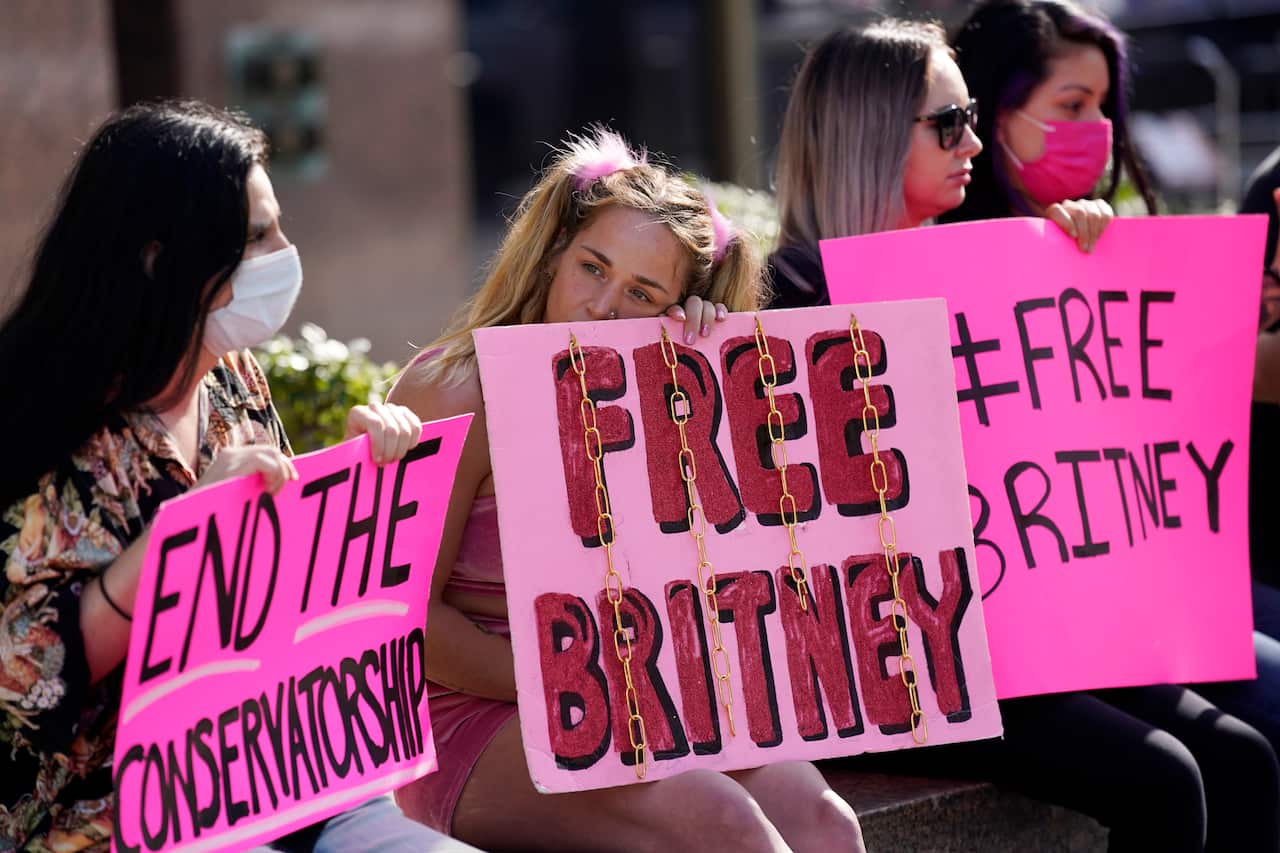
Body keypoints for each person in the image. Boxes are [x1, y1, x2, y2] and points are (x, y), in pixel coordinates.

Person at [765, 18, 1279, 852]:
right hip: (897, 664)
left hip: (1018, 637)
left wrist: (1077, 265)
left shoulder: (986, 264)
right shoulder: (786, 296)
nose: (972, 141)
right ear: (865, 130)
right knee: (1167, 777)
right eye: (948, 123)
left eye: (971, 115)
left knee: (1244, 757)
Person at [0, 101, 473, 853]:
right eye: (257, 235)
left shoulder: (231, 377)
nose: (284, 251)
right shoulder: (36, 420)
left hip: (272, 775)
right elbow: (32, 690)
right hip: (107, 818)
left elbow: (279, 589)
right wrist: (177, 537)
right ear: (158, 256)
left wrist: (356, 480)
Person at [388, 129, 866, 853]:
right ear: (553, 258)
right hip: (473, 714)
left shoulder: (662, 384)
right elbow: (404, 620)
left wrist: (704, 380)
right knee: (722, 823)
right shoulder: (456, 388)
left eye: (642, 293)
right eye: (592, 267)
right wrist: (578, 682)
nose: (603, 306)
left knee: (825, 821)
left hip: (639, 692)